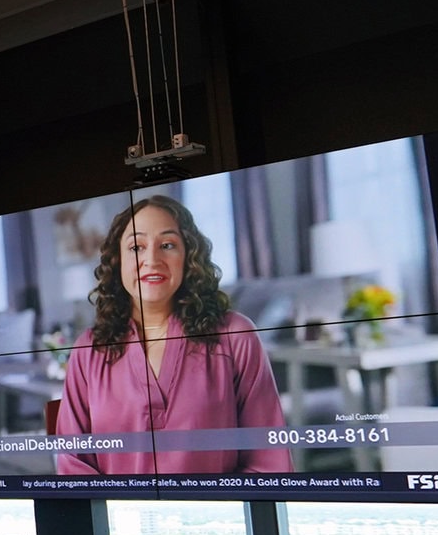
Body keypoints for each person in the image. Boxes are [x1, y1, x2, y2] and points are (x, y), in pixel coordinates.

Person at [55, 194, 291, 476]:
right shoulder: (89, 348)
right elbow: (72, 461)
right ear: (118, 262)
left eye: (167, 245)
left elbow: (268, 459)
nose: (152, 259)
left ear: (189, 257)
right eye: (137, 247)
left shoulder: (235, 335)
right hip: (117, 518)